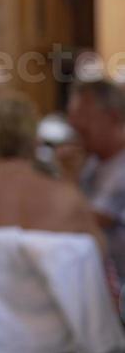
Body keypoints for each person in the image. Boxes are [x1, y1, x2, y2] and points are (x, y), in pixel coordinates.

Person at [0, 93, 105, 250]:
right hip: (49, 282)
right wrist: (70, 179)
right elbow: (96, 256)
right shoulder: (69, 200)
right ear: (36, 142)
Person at [58, 79, 125, 282]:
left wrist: (69, 178)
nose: (73, 123)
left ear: (112, 117)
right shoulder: (93, 160)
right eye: (71, 114)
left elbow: (79, 222)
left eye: (82, 115)